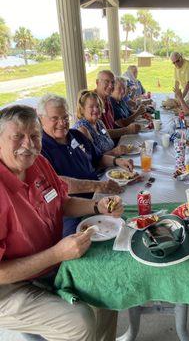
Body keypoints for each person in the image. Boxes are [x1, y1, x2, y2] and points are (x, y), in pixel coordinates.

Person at [0, 104, 121, 340]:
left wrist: (97, 206)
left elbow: (60, 201)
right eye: (18, 136)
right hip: (9, 287)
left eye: (34, 136)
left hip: (49, 266)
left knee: (108, 286)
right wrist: (57, 254)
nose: (29, 144)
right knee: (80, 322)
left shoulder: (39, 163)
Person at [37, 94, 133, 236]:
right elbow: (56, 183)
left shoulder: (76, 135)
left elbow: (98, 158)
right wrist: (97, 185)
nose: (62, 123)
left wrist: (117, 161)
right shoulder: (40, 149)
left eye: (65, 117)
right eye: (55, 118)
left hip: (99, 196)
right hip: (71, 212)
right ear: (41, 119)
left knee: (130, 219)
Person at [74, 90, 130, 157]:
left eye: (97, 106)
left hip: (114, 162)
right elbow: (91, 160)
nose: (96, 109)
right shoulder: (82, 129)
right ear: (82, 109)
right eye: (91, 107)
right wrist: (114, 152)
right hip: (104, 166)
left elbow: (110, 143)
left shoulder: (99, 123)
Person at [95, 70, 140, 140]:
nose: (110, 86)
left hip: (114, 142)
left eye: (112, 82)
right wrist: (127, 130)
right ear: (97, 82)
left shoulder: (107, 100)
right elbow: (100, 132)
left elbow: (112, 125)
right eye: (106, 81)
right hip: (107, 148)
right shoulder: (93, 102)